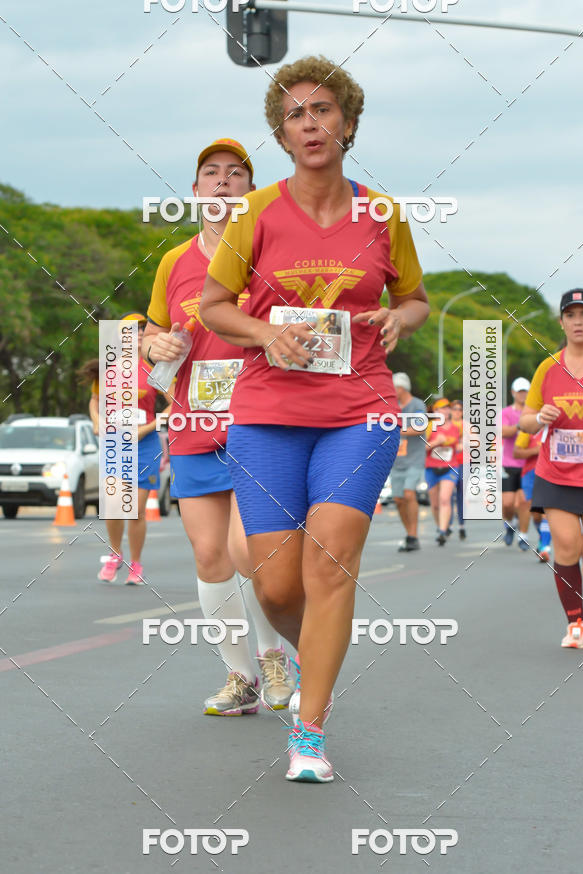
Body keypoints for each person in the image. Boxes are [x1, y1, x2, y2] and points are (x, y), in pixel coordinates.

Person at [200, 55, 429, 782]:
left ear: (348, 124)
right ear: (281, 131)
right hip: (268, 410)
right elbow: (213, 306)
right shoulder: (254, 214)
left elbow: (417, 298)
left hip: (359, 408)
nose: (311, 122)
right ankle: (311, 651)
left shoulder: (382, 215)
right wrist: (266, 333)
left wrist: (400, 315)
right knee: (275, 585)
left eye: (323, 109)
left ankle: (309, 729)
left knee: (330, 561)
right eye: (295, 112)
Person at [142, 139, 294, 714]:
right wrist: (155, 342)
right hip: (192, 426)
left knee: (247, 549)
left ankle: (274, 654)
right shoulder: (173, 263)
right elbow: (154, 333)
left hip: (260, 420)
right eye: (212, 174)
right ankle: (240, 678)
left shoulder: (272, 254)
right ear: (196, 190)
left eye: (237, 174)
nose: (224, 182)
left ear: (249, 190)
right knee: (210, 556)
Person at [520, 288, 583, 648]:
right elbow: (525, 421)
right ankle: (575, 624)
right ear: (562, 322)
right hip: (556, 472)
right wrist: (539, 416)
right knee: (566, 546)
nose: (578, 321)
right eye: (571, 315)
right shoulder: (548, 367)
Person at [95, 313, 166, 585]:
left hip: (145, 444)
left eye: (140, 330)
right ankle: (115, 554)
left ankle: (135, 563)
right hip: (115, 443)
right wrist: (96, 419)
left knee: (136, 508)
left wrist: (148, 428)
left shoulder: (153, 370)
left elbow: (174, 403)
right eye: (130, 331)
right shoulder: (108, 371)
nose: (136, 335)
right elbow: (94, 400)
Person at [391, 372, 427, 552]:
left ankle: (413, 535)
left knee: (409, 494)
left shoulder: (417, 405)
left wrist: (397, 430)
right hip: (396, 460)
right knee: (398, 499)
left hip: (414, 458)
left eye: (394, 387)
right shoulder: (391, 405)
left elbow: (421, 427)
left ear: (402, 388)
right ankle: (409, 535)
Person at [425, 398, 460, 546]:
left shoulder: (456, 427)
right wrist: (436, 443)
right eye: (442, 408)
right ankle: (440, 526)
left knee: (445, 499)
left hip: (450, 467)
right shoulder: (429, 426)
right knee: (435, 504)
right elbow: (422, 449)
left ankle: (442, 531)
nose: (446, 411)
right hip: (432, 467)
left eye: (448, 408)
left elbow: (457, 445)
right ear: (435, 411)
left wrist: (465, 446)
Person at [513, 429, 552, 562]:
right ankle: (543, 539)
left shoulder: (556, 428)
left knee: (545, 511)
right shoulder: (529, 430)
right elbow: (516, 453)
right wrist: (536, 450)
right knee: (536, 513)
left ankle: (545, 548)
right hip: (530, 474)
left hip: (550, 474)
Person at [501, 378, 531, 550]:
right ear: (513, 393)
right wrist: (522, 425)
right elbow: (504, 432)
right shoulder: (506, 413)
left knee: (523, 502)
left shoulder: (532, 412)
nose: (522, 395)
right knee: (508, 503)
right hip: (509, 463)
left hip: (527, 463)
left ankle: (524, 536)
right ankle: (511, 524)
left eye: (525, 391)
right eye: (519, 392)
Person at [450, 399, 466, 540]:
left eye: (459, 409)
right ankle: (447, 525)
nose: (457, 411)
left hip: (464, 463)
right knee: (448, 494)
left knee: (461, 495)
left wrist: (464, 444)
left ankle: (461, 525)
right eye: (454, 408)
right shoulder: (445, 425)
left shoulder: (467, 425)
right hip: (449, 463)